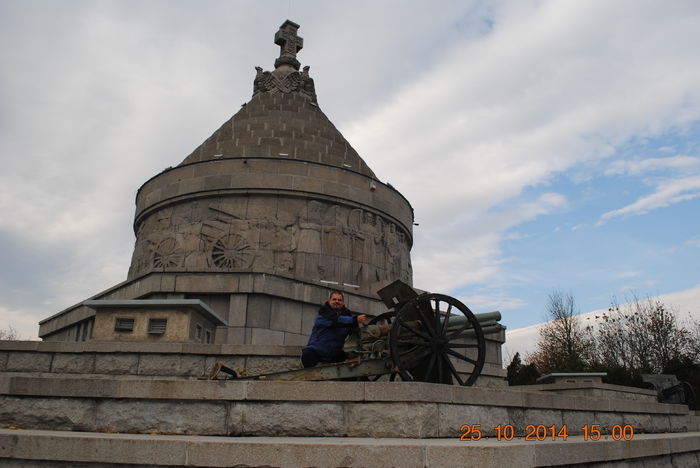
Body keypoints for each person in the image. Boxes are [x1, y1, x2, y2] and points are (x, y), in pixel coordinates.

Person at [301, 291, 366, 367]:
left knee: (352, 365)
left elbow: (354, 332)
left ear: (343, 303)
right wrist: (354, 320)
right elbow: (336, 321)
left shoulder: (347, 316)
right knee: (308, 354)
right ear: (329, 301)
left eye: (339, 300)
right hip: (316, 351)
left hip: (335, 353)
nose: (337, 302)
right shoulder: (323, 313)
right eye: (334, 299)